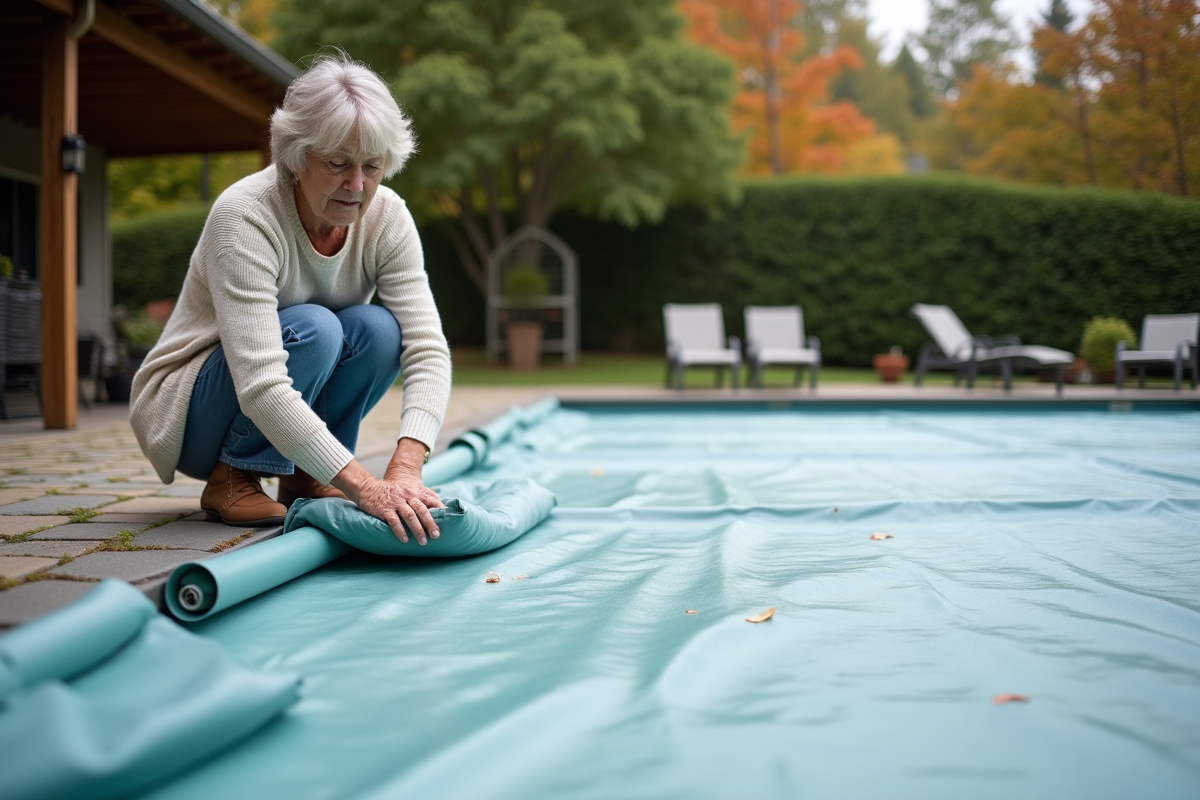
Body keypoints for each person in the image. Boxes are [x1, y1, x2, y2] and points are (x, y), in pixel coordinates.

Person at [130, 53, 451, 546]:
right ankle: (231, 476)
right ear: (298, 157)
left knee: (382, 330)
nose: (358, 185)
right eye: (338, 163)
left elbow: (427, 347)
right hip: (190, 413)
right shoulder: (245, 215)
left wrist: (407, 467)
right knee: (317, 328)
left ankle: (306, 475)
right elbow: (260, 382)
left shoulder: (389, 217)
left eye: (372, 165)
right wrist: (365, 487)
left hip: (271, 400)